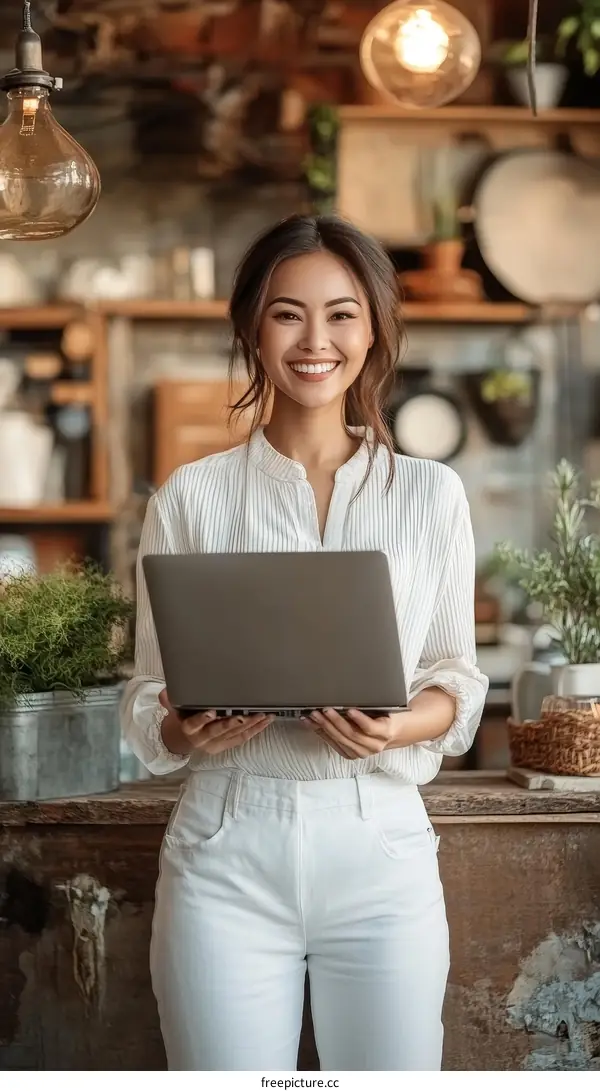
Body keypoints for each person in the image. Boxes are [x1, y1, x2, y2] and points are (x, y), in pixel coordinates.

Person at [121, 214, 489, 1073]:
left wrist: (395, 727)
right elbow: (147, 695)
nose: (315, 339)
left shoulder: (432, 495)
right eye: (288, 314)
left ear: (374, 328)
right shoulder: (191, 496)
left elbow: (456, 677)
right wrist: (184, 728)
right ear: (252, 325)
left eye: (342, 313)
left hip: (381, 847)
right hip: (225, 849)